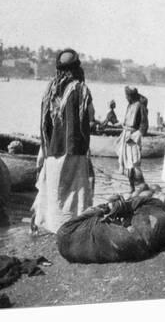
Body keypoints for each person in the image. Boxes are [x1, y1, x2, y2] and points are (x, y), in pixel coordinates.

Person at [31, 49, 95, 234]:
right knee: (75, 193)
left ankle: (51, 226)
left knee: (54, 192)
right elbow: (89, 116)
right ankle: (72, 228)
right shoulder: (80, 89)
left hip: (52, 150)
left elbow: (44, 122)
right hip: (74, 150)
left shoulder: (49, 89)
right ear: (77, 68)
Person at [117, 86, 149, 192]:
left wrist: (137, 134)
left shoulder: (140, 106)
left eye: (127, 96)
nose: (126, 98)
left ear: (131, 96)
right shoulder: (129, 105)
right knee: (127, 163)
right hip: (126, 135)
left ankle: (141, 186)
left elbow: (144, 124)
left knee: (134, 162)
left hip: (133, 137)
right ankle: (132, 187)